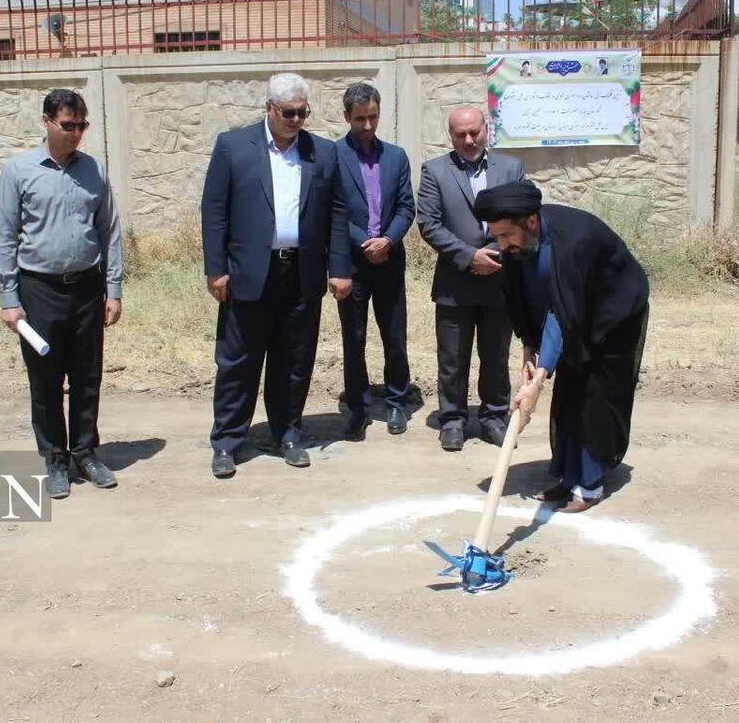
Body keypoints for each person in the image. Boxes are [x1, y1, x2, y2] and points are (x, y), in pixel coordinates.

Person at [202, 73, 352, 478]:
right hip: (248, 274)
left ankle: (287, 433)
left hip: (300, 274)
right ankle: (228, 442)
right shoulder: (233, 147)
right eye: (289, 112)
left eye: (303, 112)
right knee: (238, 361)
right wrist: (216, 269)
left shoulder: (322, 152)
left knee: (294, 361)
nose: (297, 120)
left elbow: (338, 213)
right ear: (269, 108)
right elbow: (214, 211)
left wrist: (339, 268)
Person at [477, 180, 649, 512]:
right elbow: (521, 297)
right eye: (495, 236)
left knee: (592, 394)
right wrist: (529, 347)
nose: (500, 244)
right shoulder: (517, 243)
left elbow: (561, 314)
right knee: (569, 390)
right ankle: (568, 476)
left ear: (531, 222)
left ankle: (589, 485)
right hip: (571, 314)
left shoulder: (574, 243)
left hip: (612, 315)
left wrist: (537, 382)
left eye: (505, 235)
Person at [0, 89, 123, 501]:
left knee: (87, 376)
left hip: (87, 287)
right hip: (39, 290)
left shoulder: (94, 170)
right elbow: (4, 236)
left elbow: (109, 231)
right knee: (46, 379)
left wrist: (113, 288)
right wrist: (9, 298)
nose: (76, 134)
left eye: (81, 126)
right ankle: (55, 459)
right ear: (47, 121)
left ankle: (85, 451)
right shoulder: (20, 170)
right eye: (68, 125)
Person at [417, 106, 524, 452]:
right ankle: (453, 420)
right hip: (455, 282)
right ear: (450, 135)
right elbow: (429, 223)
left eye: (474, 132)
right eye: (460, 134)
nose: (468, 140)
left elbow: (522, 215)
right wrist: (468, 257)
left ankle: (494, 417)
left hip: (499, 279)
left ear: (486, 130)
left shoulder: (511, 168)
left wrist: (492, 253)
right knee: (452, 357)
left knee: (496, 354)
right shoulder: (434, 171)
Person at [335, 82, 414, 440]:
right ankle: (358, 406)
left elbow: (405, 207)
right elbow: (330, 211)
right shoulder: (333, 156)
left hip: (389, 260)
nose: (367, 125)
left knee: (394, 336)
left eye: (373, 117)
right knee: (354, 338)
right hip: (352, 264)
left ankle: (397, 399)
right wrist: (362, 241)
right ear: (346, 117)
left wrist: (388, 239)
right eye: (360, 119)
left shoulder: (396, 157)